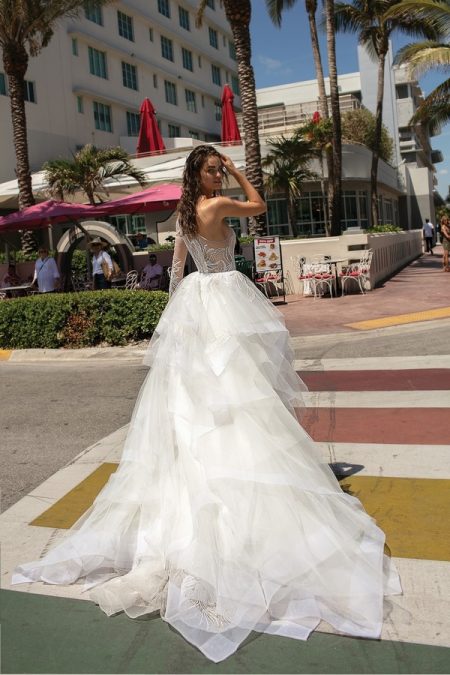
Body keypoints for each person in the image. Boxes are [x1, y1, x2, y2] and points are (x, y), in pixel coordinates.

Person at [12, 145, 401, 663]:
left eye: (222, 167)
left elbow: (175, 269)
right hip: (222, 296)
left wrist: (177, 315)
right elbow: (260, 206)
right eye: (214, 168)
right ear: (201, 174)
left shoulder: (183, 213)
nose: (220, 173)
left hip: (197, 300)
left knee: (204, 397)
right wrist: (241, 173)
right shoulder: (216, 205)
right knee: (239, 391)